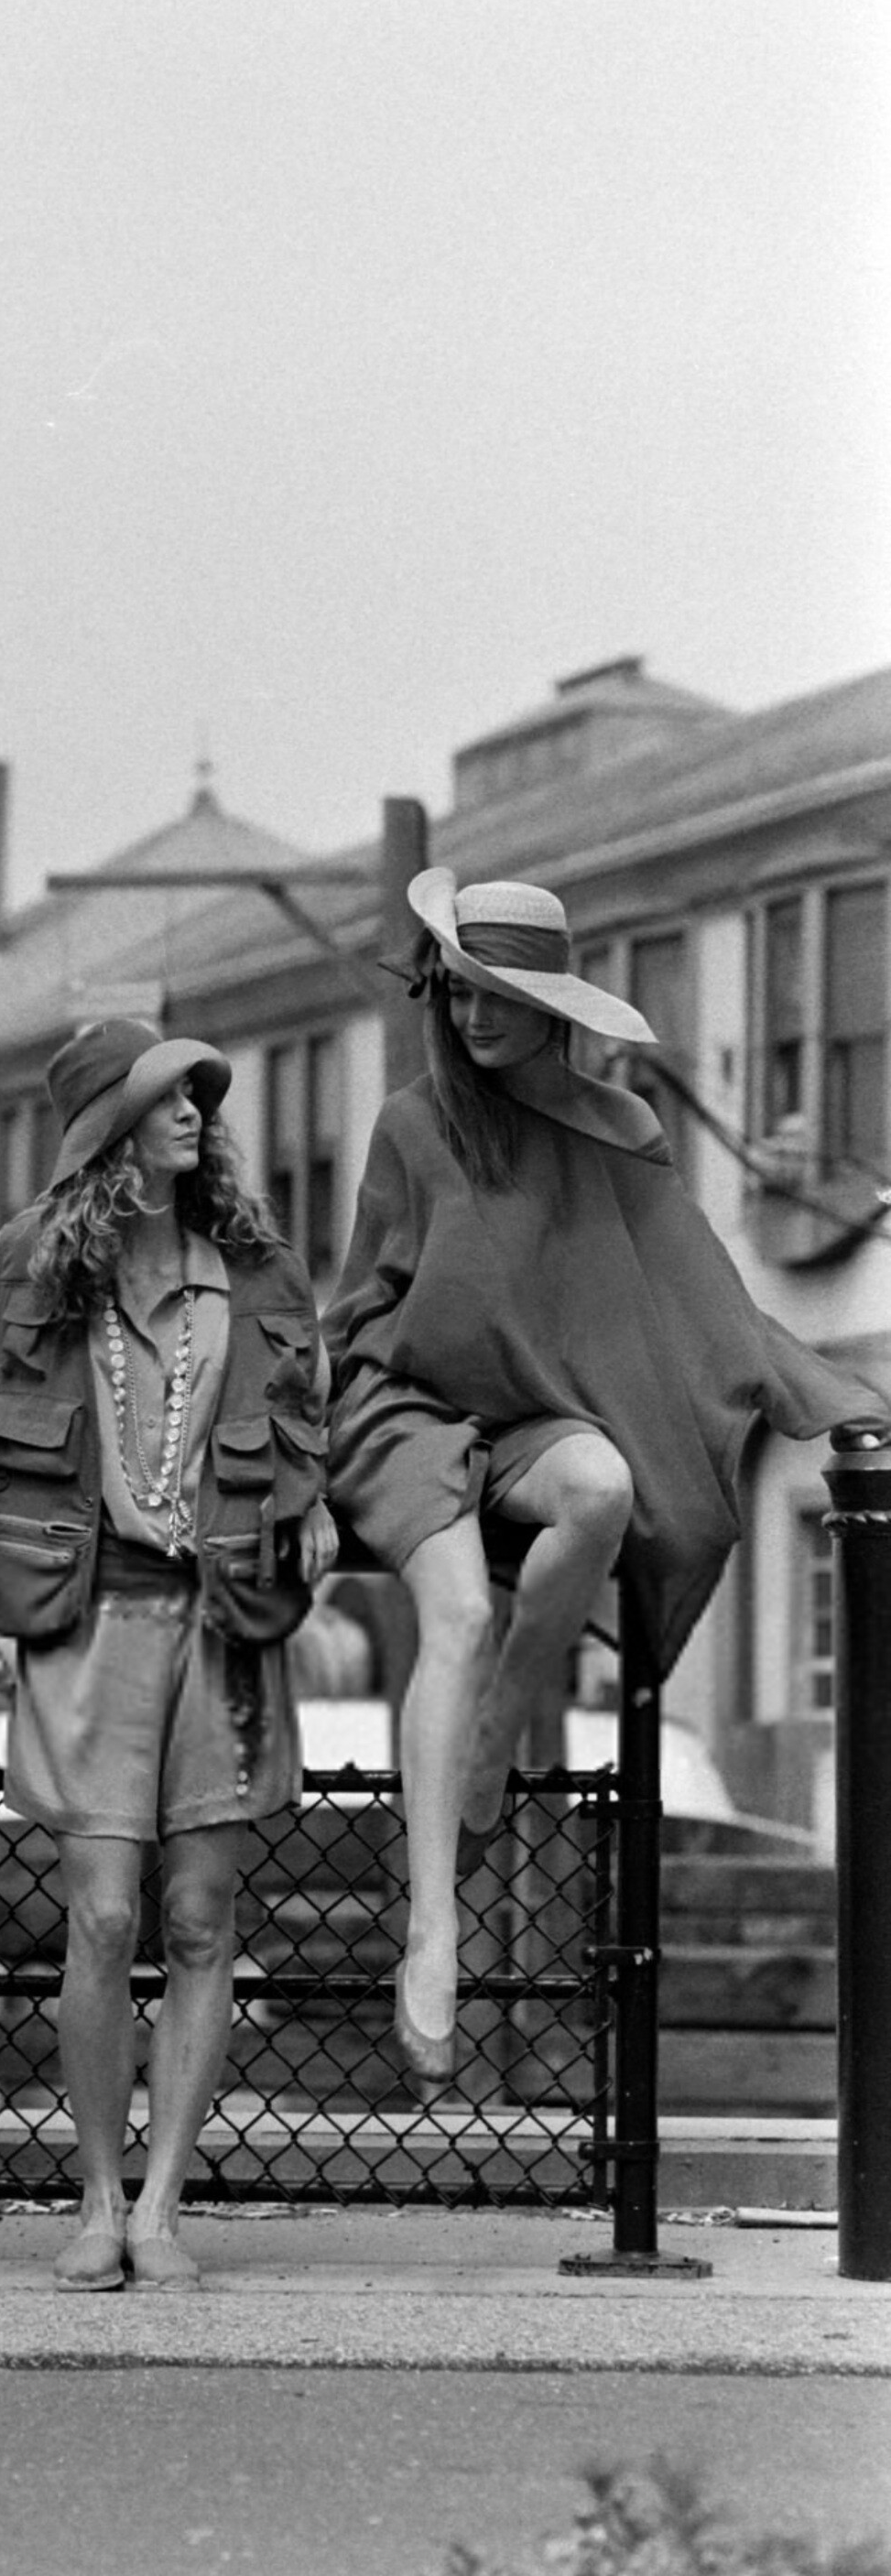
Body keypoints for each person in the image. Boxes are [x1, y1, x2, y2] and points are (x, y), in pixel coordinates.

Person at [323, 871, 886, 2083]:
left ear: (552, 1005)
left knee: (606, 1490)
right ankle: (432, 1929)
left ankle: (494, 1737)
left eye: (500, 994)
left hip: (533, 1419)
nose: (475, 1016)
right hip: (406, 1406)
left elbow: (693, 1287)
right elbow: (361, 1295)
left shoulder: (618, 1130)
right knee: (456, 1611)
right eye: (458, 991)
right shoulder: (413, 1124)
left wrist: (819, 1384)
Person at [0, 1018, 337, 2293]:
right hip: (89, 1617)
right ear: (107, 1130)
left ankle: (163, 2203)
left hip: (223, 1616)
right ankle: (96, 2194)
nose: (194, 1113)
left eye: (199, 1098)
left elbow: (301, 1411)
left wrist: (309, 1494)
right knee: (104, 1911)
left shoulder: (255, 1268)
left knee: (199, 1916)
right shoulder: (26, 1269)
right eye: (167, 1096)